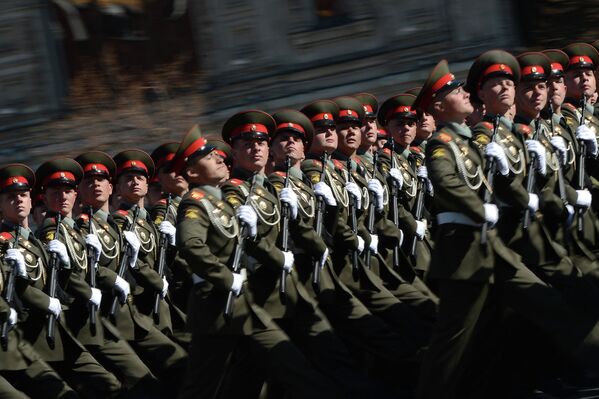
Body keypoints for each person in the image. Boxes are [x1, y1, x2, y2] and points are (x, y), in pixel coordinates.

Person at [415, 58, 599, 399]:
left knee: (538, 308)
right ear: (440, 107)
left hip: (492, 247)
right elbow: (448, 183)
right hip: (464, 254)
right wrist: (479, 208)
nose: (464, 93)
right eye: (455, 92)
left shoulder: (470, 140)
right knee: (453, 343)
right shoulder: (442, 143)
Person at [75, 151, 188, 395]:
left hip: (147, 309)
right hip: (119, 313)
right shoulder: (87, 228)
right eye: (88, 181)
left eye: (101, 180)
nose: (96, 185)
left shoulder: (120, 223)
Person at [0, 163, 78, 399]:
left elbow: (51, 285)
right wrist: (44, 301)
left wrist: (65, 266)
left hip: (49, 329)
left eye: (23, 195)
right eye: (11, 197)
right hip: (24, 332)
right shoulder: (4, 242)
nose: (19, 201)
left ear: (32, 201)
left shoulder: (32, 240)